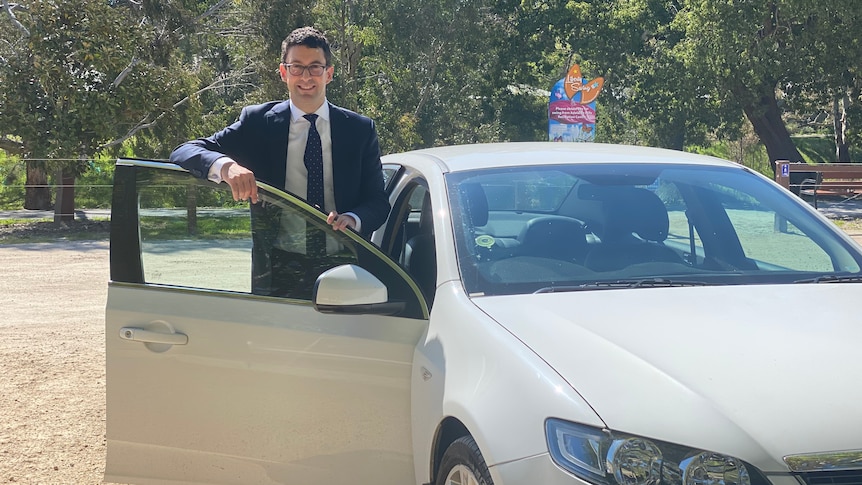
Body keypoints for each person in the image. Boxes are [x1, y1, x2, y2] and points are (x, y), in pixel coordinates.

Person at [170, 26, 390, 298]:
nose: (306, 77)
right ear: (284, 72)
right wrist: (226, 166)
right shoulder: (257, 122)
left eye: (315, 67)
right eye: (297, 67)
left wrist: (353, 219)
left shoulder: (359, 129)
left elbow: (378, 203)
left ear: (329, 74)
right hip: (278, 269)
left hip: (345, 266)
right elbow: (185, 151)